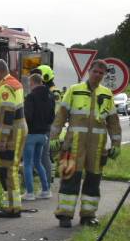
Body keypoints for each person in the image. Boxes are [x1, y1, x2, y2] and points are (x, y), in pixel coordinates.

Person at [50, 60, 122, 228]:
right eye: (95, 71)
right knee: (69, 178)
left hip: (97, 147)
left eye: (101, 73)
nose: (97, 75)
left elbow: (113, 122)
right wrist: (53, 137)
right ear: (89, 71)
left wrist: (116, 143)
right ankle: (64, 215)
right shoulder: (74, 90)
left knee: (93, 181)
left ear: (104, 75)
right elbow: (60, 115)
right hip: (73, 144)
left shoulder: (107, 94)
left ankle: (88, 216)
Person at [0, 60, 28, 218]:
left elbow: (8, 113)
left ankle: (13, 208)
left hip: (12, 132)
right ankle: (9, 205)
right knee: (5, 169)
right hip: (14, 130)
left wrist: (3, 139)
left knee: (10, 169)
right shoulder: (14, 83)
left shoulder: (6, 87)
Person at [22, 72, 54, 200]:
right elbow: (52, 116)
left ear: (32, 82)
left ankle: (30, 193)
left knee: (28, 163)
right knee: (38, 162)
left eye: (29, 83)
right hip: (43, 134)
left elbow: (28, 116)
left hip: (31, 134)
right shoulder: (50, 96)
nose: (29, 85)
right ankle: (46, 190)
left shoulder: (31, 96)